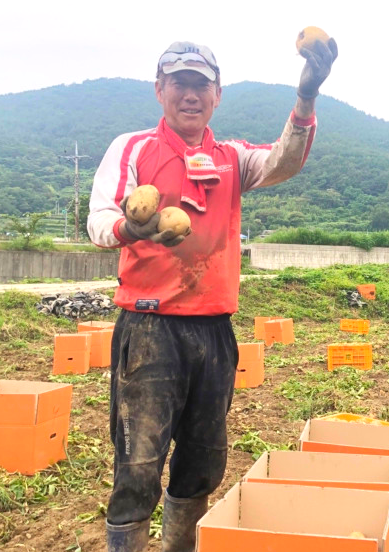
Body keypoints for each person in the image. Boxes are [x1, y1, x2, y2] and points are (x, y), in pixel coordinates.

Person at [88, 37, 337, 552]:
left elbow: (283, 162)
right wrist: (139, 229)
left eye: (201, 84)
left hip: (214, 331)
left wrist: (306, 97)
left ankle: (179, 545)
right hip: (149, 326)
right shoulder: (132, 148)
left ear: (217, 94)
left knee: (202, 459)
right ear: (160, 89)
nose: (190, 93)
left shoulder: (231, 158)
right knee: (137, 463)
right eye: (179, 82)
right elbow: (100, 220)